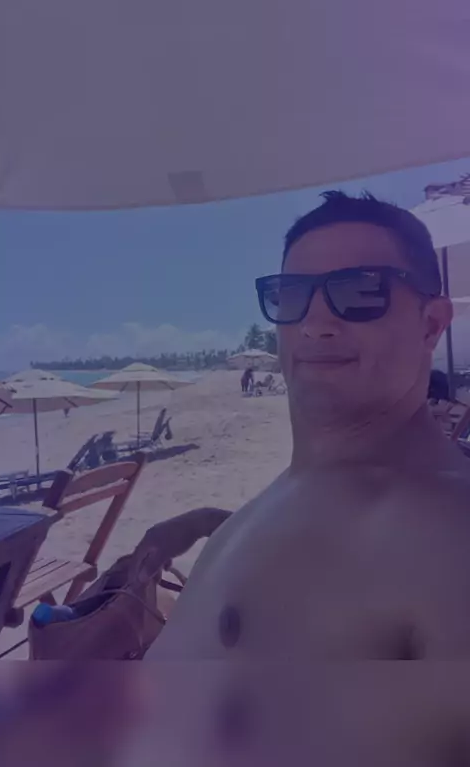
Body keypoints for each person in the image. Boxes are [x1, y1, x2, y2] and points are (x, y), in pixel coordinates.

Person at [132, 191, 470, 766]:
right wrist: (205, 523)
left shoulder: (450, 531)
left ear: (432, 323)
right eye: (291, 296)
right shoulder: (293, 492)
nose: (315, 323)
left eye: (360, 291)